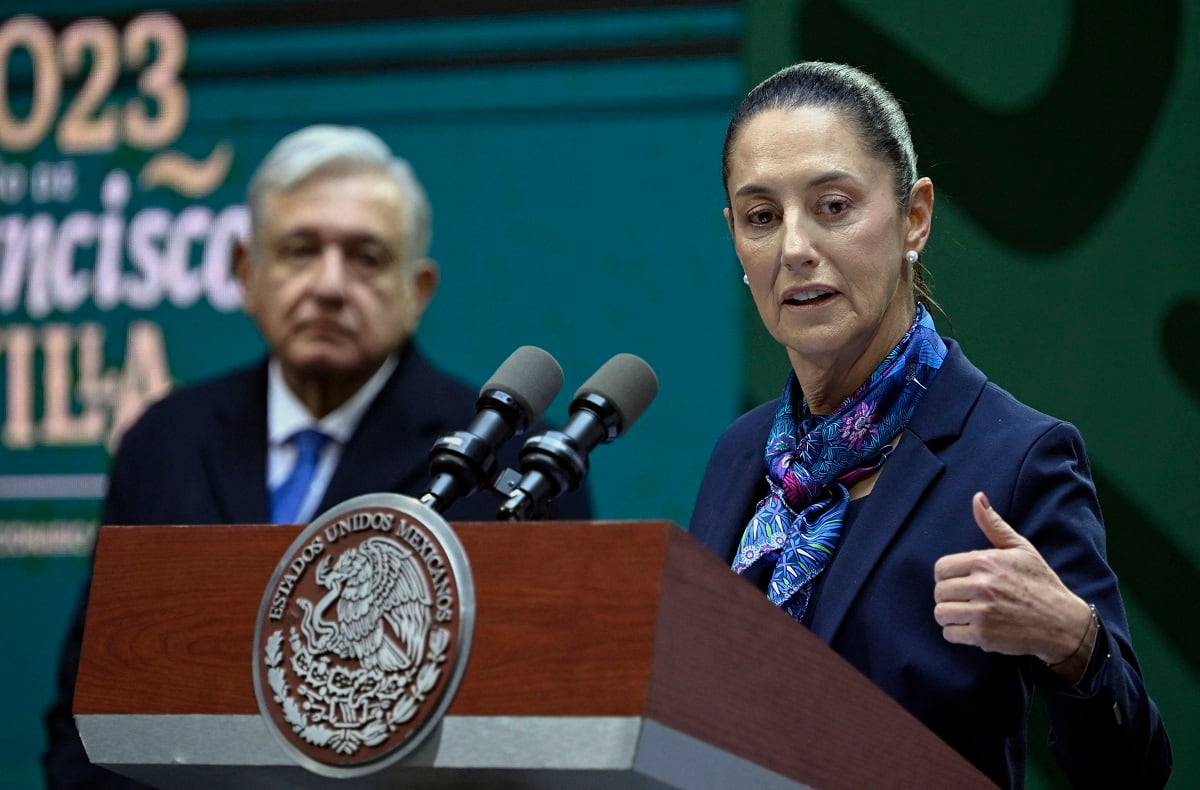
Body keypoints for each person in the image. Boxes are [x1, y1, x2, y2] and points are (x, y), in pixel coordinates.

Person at [43, 124, 592, 788]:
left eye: (366, 258)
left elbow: (541, 734)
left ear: (417, 291)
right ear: (247, 272)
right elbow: (89, 715)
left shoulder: (513, 467)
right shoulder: (164, 442)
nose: (330, 285)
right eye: (300, 251)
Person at [689, 62, 1171, 788]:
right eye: (762, 217)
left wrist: (1076, 645)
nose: (793, 248)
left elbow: (1134, 770)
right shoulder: (741, 453)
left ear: (914, 216)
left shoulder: (1017, 457)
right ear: (735, 238)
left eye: (832, 206)